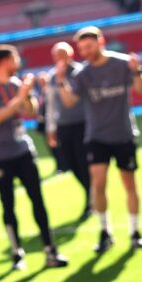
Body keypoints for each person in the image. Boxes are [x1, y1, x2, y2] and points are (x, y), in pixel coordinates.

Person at [0, 44, 68, 270]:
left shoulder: (16, 84)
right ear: (5, 60)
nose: (18, 62)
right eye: (15, 58)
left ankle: (50, 250)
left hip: (23, 151)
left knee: (38, 200)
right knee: (9, 205)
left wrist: (27, 96)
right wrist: (19, 98)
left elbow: (31, 111)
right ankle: (17, 253)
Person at [56, 26, 142, 252]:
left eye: (89, 46)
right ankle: (105, 231)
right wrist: (60, 81)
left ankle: (134, 232)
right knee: (98, 184)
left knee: (129, 185)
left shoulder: (122, 63)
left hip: (123, 134)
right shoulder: (82, 74)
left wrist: (137, 72)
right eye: (81, 48)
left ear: (100, 41)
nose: (85, 51)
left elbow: (140, 90)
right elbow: (69, 102)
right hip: (96, 136)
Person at [44, 42, 91, 220]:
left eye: (62, 55)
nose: (59, 59)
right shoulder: (51, 76)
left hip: (82, 123)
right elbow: (50, 104)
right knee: (70, 164)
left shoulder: (80, 72)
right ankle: (90, 191)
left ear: (70, 55)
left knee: (83, 162)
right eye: (56, 55)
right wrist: (50, 128)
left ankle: (90, 198)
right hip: (63, 126)